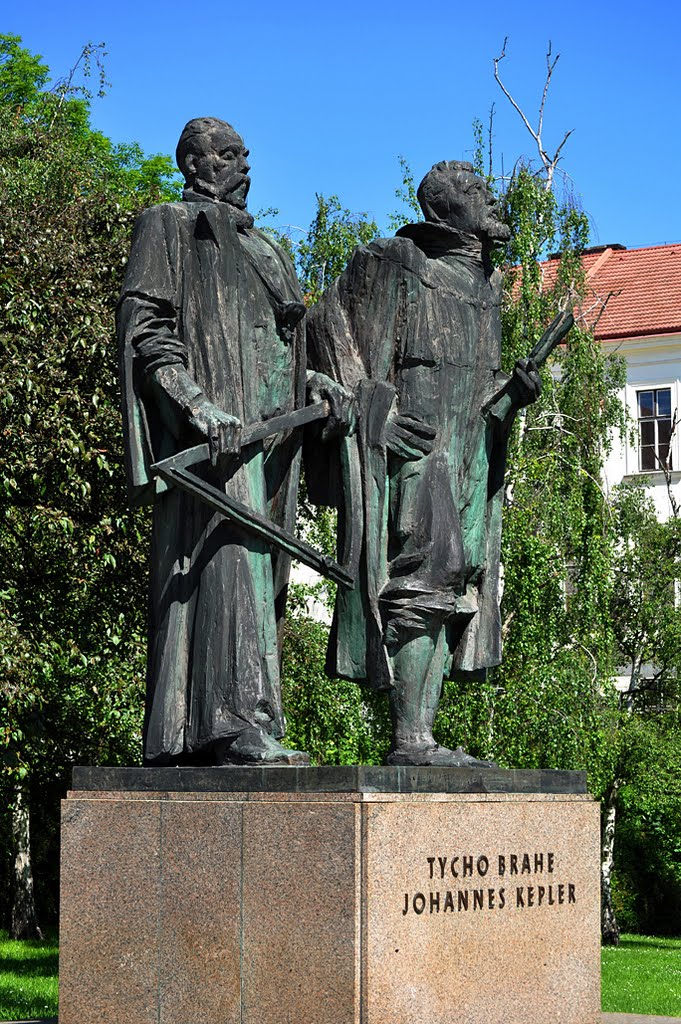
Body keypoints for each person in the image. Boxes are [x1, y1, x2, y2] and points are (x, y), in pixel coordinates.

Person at [118, 117, 342, 766]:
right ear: (196, 165)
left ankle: (244, 720)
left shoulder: (268, 247)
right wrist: (194, 404)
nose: (246, 165)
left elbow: (281, 346)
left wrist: (318, 387)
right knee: (226, 565)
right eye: (231, 155)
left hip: (272, 440)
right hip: (216, 433)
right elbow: (147, 328)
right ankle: (235, 723)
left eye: (245, 154)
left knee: (261, 579)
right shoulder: (169, 224)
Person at [306, 160, 541, 767]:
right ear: (440, 211)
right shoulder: (395, 263)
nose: (488, 198)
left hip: (471, 454)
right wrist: (371, 415)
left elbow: (479, 396)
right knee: (423, 576)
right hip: (416, 449)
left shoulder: (487, 288)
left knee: (457, 579)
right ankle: (410, 740)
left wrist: (513, 394)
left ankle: (423, 736)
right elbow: (326, 329)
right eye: (472, 192)